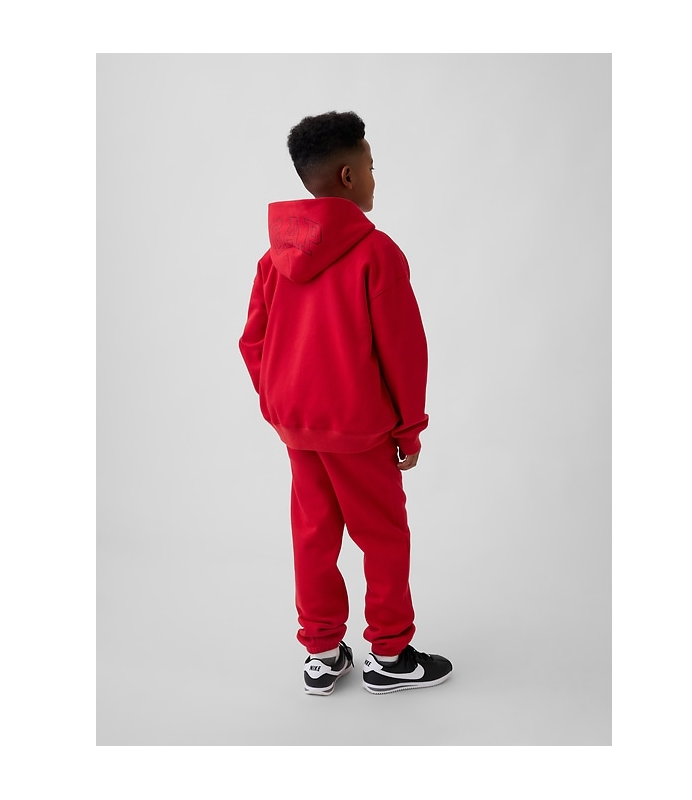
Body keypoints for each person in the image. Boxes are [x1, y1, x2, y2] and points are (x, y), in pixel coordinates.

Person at [239, 111, 452, 696]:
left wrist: (281, 402)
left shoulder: (272, 259)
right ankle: (390, 654)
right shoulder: (376, 253)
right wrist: (409, 427)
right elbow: (403, 350)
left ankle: (322, 653)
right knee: (383, 536)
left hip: (299, 428)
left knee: (313, 536)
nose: (376, 176)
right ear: (348, 176)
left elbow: (253, 341)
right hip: (360, 431)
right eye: (371, 166)